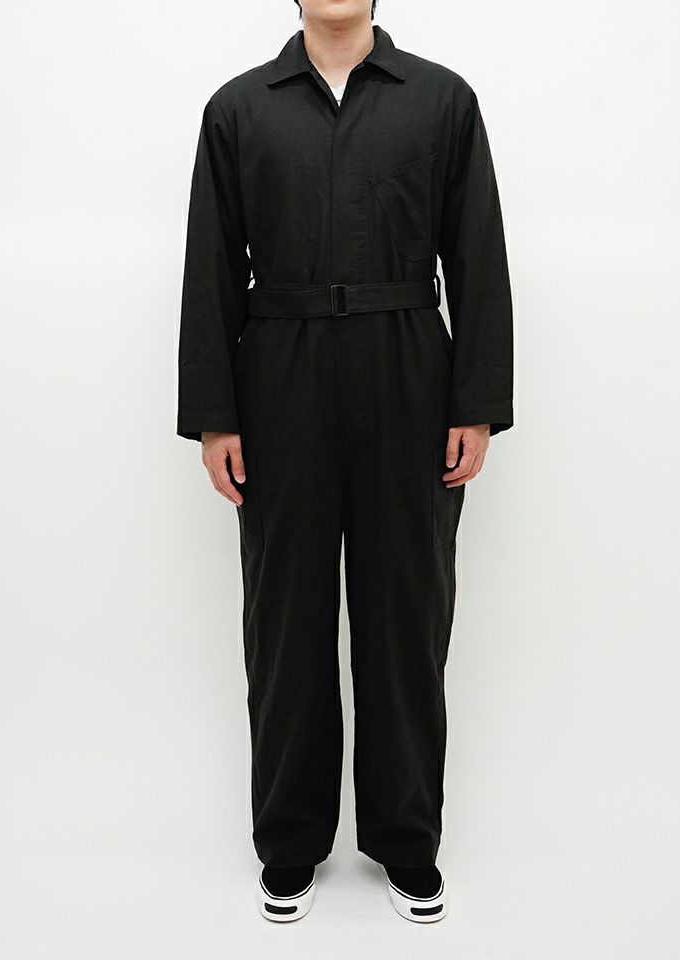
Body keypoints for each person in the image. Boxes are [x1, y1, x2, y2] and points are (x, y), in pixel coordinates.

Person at [176, 0, 513, 923]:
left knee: (407, 613)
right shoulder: (239, 108)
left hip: (408, 370)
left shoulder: (440, 101)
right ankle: (289, 842)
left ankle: (407, 840)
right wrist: (214, 418)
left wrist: (476, 403)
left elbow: (476, 252)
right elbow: (211, 262)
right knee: (284, 616)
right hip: (278, 373)